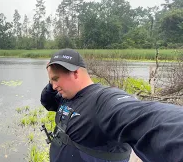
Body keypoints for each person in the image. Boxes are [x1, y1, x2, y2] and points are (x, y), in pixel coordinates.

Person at [40, 48, 183, 162]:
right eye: (51, 81)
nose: (54, 86)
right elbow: (46, 102)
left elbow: (145, 117)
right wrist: (52, 83)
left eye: (56, 79)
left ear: (76, 73)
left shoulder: (103, 100)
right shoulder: (65, 96)